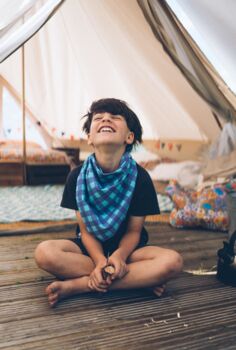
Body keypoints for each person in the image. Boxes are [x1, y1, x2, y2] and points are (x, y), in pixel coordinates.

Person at [34, 98, 183, 307]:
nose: (106, 119)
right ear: (90, 138)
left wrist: (119, 257)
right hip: (89, 248)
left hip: (129, 252)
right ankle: (138, 281)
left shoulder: (139, 178)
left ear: (129, 137)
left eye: (115, 117)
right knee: (44, 252)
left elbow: (133, 232)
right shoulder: (77, 178)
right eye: (99, 118)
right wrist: (100, 261)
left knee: (173, 262)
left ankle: (82, 285)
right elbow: (85, 232)